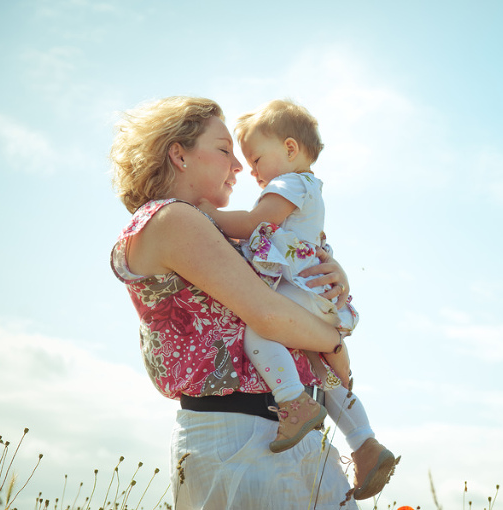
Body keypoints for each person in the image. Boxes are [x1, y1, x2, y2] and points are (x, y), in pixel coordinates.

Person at [109, 96, 375, 508]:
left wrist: (326, 266)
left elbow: (281, 269)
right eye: (224, 150)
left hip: (283, 430)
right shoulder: (172, 218)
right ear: (179, 154)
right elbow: (266, 313)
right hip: (237, 436)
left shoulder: (215, 230)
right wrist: (334, 344)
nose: (239, 166)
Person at [198, 99, 396, 500]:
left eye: (255, 159)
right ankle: (365, 443)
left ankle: (293, 404)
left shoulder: (287, 184)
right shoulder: (308, 188)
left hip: (299, 291)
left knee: (260, 334)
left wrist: (208, 215)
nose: (250, 171)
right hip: (315, 294)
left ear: (289, 149)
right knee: (320, 369)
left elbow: (255, 225)